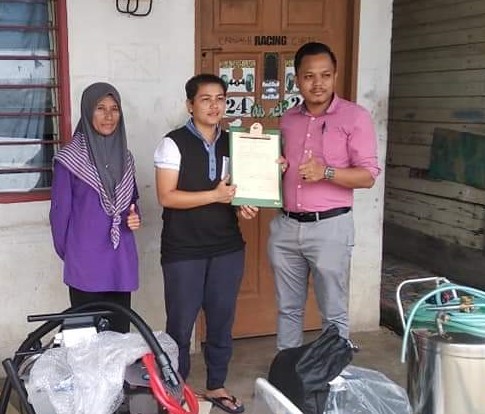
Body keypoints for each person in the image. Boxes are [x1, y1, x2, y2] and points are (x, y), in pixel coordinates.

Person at [154, 73, 258, 414]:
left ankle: (216, 385)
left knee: (221, 322)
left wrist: (244, 205)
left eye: (220, 99)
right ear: (190, 105)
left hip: (227, 247)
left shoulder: (235, 143)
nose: (214, 106)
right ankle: (176, 394)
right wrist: (214, 195)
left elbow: (237, 192)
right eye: (205, 99)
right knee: (180, 327)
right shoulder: (172, 143)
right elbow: (167, 196)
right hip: (183, 250)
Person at [268, 42, 380, 350]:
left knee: (333, 313)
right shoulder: (288, 119)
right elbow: (281, 167)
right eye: (309, 76)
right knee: (288, 309)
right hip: (286, 227)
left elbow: (368, 176)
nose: (318, 83)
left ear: (335, 76)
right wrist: (277, 168)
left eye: (325, 75)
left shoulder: (355, 117)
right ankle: (287, 371)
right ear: (297, 79)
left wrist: (326, 172)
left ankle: (334, 372)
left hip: (330, 228)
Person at [50, 82, 141, 333]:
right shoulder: (70, 160)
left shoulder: (126, 158)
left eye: (114, 108)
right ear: (87, 111)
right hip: (86, 263)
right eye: (100, 108)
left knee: (118, 337)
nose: (108, 116)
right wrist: (75, 254)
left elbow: (132, 202)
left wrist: (134, 217)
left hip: (120, 260)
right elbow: (59, 215)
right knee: (86, 338)